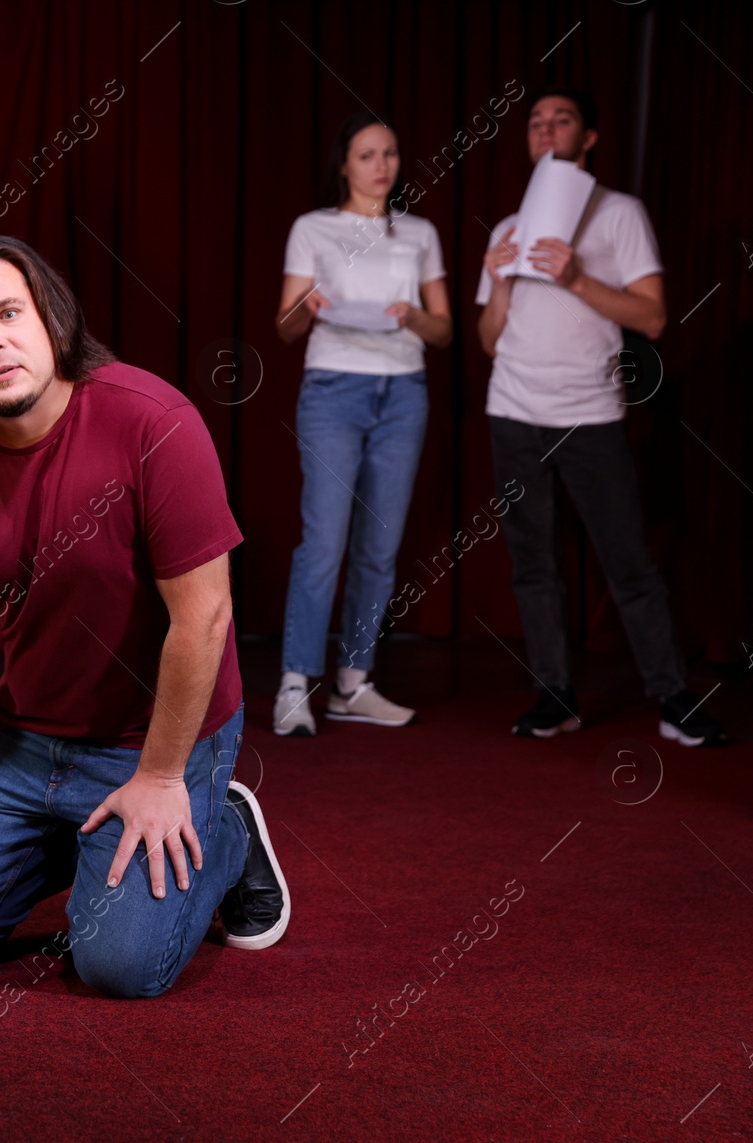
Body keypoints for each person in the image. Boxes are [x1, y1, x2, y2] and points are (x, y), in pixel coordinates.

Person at [0, 236, 289, 1000]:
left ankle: (226, 829)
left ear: (52, 321)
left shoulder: (152, 421)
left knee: (117, 963)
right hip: (24, 740)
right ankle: (80, 842)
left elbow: (204, 617)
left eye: (10, 312)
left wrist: (163, 774)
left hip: (153, 737)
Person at [474, 87, 725, 746]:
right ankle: (555, 694)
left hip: (590, 413)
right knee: (532, 560)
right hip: (513, 409)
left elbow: (653, 317)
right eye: (535, 121)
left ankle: (672, 697)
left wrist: (580, 279)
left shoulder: (620, 214)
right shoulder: (506, 229)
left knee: (627, 560)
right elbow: (489, 340)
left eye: (562, 120)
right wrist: (498, 282)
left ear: (588, 137)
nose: (546, 129)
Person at [271, 112, 452, 736]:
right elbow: (286, 325)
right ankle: (296, 683)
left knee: (379, 548)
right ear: (344, 165)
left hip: (403, 391)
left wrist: (411, 316)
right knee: (324, 542)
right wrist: (308, 304)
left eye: (391, 153)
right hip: (333, 391)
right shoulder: (313, 228)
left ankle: (354, 683)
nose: (382, 165)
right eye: (368, 154)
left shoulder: (420, 232)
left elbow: (445, 328)